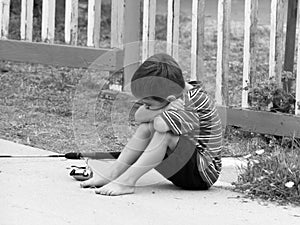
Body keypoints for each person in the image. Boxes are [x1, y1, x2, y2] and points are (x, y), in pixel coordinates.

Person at [80, 53, 223, 196]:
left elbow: (160, 126)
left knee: (164, 134)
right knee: (145, 127)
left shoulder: (194, 101)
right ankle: (112, 173)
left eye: (148, 104)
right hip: (183, 166)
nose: (145, 107)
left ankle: (127, 182)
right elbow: (139, 116)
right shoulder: (173, 95)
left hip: (201, 174)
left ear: (170, 98)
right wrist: (165, 108)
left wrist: (160, 112)